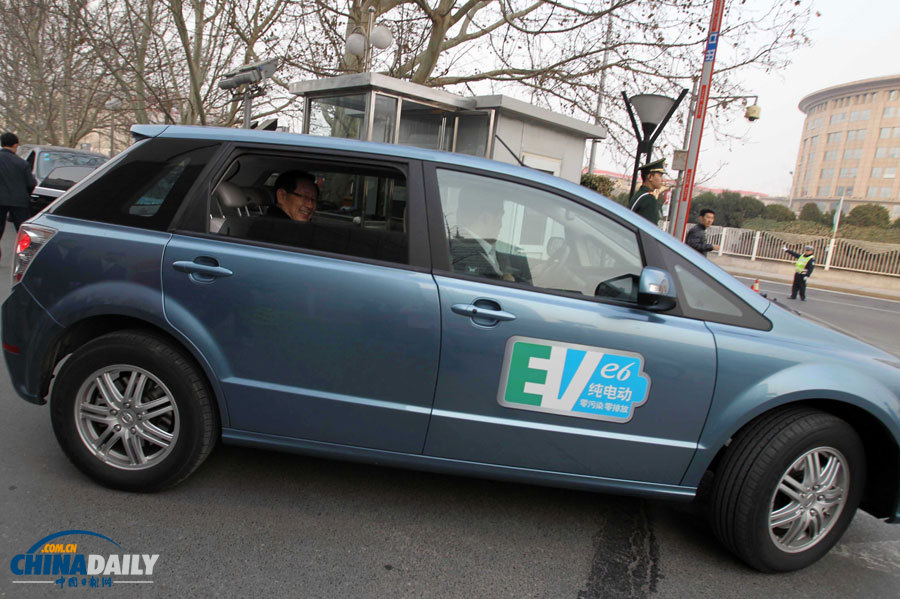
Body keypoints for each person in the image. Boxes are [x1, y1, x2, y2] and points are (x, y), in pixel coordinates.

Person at [449, 197, 531, 284]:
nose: (501, 225)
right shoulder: (463, 254)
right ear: (485, 218)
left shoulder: (491, 252)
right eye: (500, 218)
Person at [0, 132, 38, 240]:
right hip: (19, 201)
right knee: (23, 233)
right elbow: (31, 183)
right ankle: (24, 250)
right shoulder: (22, 163)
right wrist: (26, 194)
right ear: (15, 145)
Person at [630, 158, 666, 224]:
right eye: (660, 176)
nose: (662, 180)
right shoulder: (649, 199)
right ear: (650, 177)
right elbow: (650, 227)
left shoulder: (641, 195)